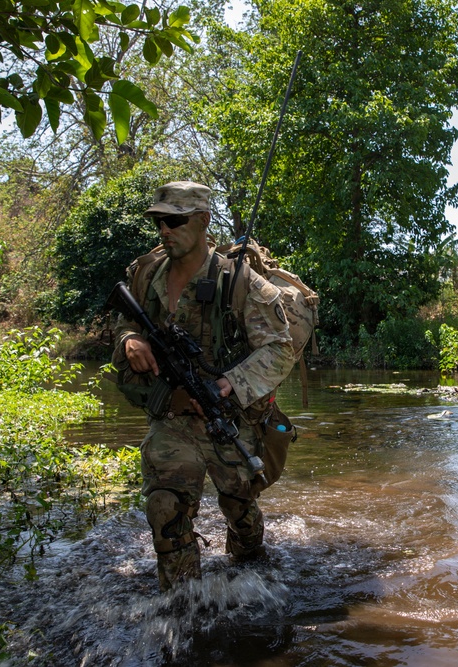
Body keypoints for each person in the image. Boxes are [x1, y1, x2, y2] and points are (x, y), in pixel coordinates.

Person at [112, 180, 296, 591]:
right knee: (165, 506)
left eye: (174, 221)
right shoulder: (146, 276)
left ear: (202, 221)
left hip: (228, 416)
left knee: (240, 509)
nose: (165, 230)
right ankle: (183, 606)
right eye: (160, 221)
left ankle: (251, 568)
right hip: (172, 419)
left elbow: (281, 350)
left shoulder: (241, 283)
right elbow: (124, 321)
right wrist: (130, 340)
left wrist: (231, 383)